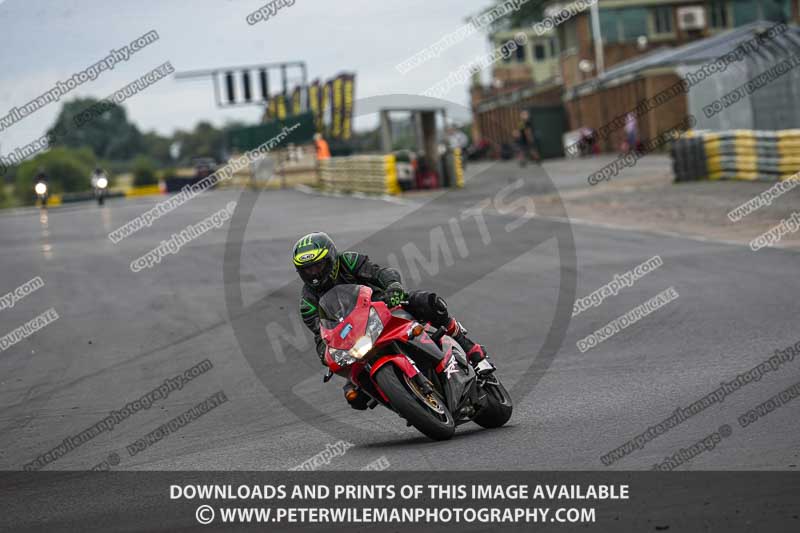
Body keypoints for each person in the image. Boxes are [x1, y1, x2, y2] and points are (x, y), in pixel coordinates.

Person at [293, 232, 493, 410]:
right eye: (308, 270)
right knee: (354, 397)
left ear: (331, 259)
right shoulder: (308, 303)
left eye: (318, 266)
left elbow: (381, 273)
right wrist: (327, 355)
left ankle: (471, 350)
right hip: (356, 339)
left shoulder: (350, 261)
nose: (314, 274)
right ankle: (405, 402)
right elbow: (322, 336)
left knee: (428, 302)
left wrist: (393, 287)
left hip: (384, 309)